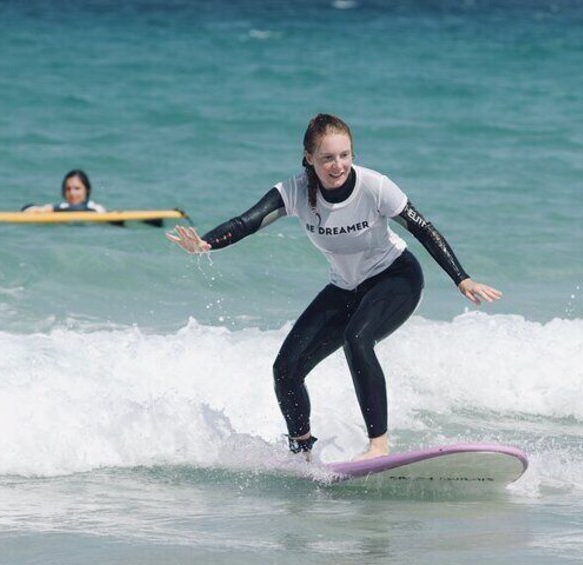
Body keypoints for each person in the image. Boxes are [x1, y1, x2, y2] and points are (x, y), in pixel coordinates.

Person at [166, 114, 501, 460]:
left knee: (357, 338)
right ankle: (302, 453)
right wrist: (206, 243)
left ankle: (379, 446)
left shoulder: (375, 187)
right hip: (346, 288)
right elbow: (247, 222)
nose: (337, 165)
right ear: (309, 158)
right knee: (286, 369)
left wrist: (461, 277)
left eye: (345, 155)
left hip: (396, 277)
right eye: (327, 157)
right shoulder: (294, 191)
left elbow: (423, 229)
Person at [22, 169, 106, 213]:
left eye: (77, 188)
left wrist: (53, 208)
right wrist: (36, 209)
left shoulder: (96, 208)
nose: (72, 193)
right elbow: (25, 209)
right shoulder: (60, 208)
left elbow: (86, 210)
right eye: (68, 189)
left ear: (87, 190)